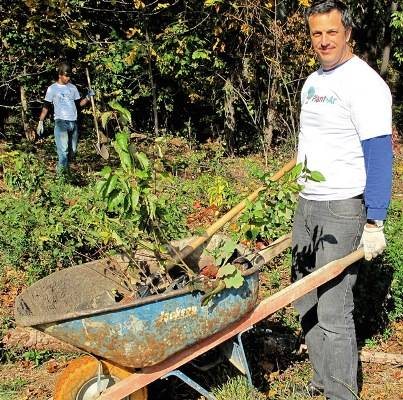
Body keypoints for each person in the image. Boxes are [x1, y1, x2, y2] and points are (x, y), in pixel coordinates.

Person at [291, 1, 393, 399]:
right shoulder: (313, 82)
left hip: (342, 207)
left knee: (333, 307)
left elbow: (380, 153)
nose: (324, 41)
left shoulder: (365, 84)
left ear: (348, 33)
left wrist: (375, 221)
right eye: (317, 33)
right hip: (308, 201)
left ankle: (341, 395)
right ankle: (322, 382)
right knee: (304, 297)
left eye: (332, 32)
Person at [37, 63, 95, 175]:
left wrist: (88, 97)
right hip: (61, 122)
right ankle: (61, 178)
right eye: (66, 76)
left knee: (72, 151)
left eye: (69, 76)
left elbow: (79, 104)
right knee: (63, 151)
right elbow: (46, 106)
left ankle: (66, 173)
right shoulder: (52, 89)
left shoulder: (72, 88)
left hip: (73, 122)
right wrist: (40, 121)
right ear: (60, 75)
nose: (68, 78)